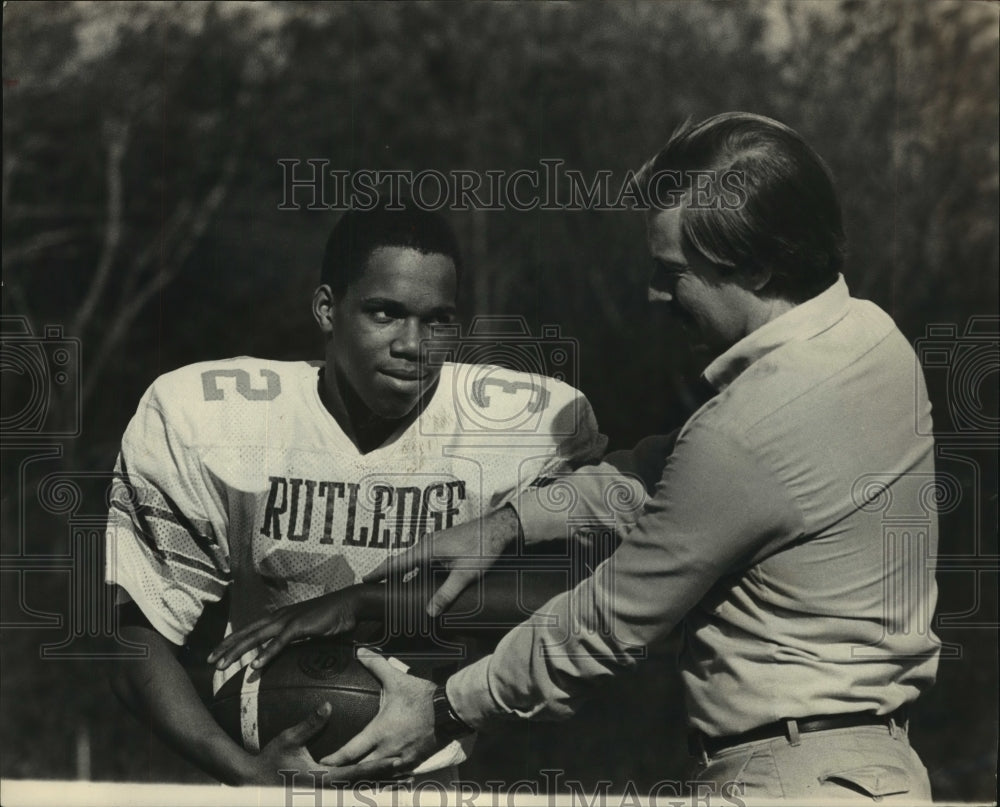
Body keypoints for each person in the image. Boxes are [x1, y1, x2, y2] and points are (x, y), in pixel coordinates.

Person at [261, 113, 940, 801]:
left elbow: (609, 619)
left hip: (785, 781)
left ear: (759, 266)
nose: (653, 292)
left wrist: (442, 707)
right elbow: (662, 470)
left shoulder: (748, 429)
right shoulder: (872, 341)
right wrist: (508, 523)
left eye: (673, 271)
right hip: (877, 772)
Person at [104, 201, 606, 786]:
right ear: (327, 309)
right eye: (384, 313)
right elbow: (131, 640)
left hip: (434, 775)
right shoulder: (216, 419)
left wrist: (371, 604)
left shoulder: (521, 428)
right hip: (266, 762)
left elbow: (593, 604)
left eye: (437, 320)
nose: (413, 345)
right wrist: (244, 775)